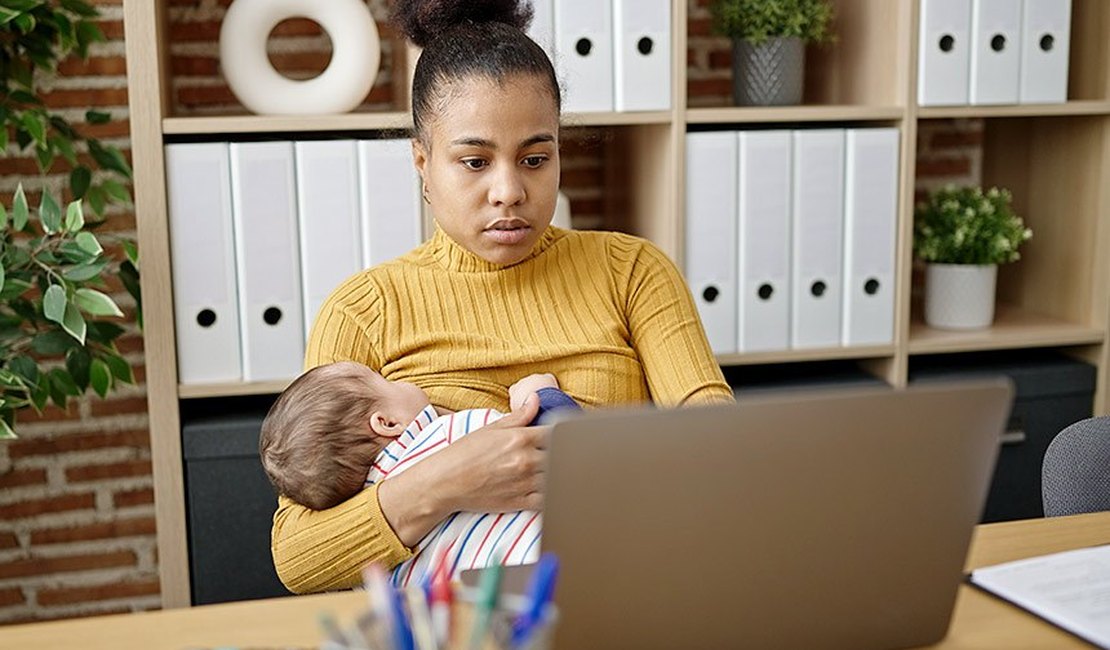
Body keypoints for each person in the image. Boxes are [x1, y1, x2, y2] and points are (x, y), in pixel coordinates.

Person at [271, 0, 734, 594]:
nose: (509, 191)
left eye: (536, 158)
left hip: (622, 594)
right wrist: (449, 480)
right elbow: (298, 557)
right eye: (474, 161)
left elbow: (721, 450)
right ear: (422, 162)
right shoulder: (365, 309)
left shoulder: (632, 272)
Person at [259, 362, 576, 585]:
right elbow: (564, 451)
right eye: (386, 380)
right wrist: (541, 396)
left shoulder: (375, 565)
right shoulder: (448, 435)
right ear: (386, 422)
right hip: (557, 572)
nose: (403, 382)